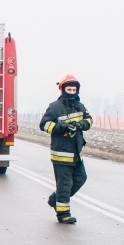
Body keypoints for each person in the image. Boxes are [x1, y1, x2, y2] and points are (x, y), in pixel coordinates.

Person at [39, 74, 94, 224]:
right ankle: (63, 214)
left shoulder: (80, 106)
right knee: (64, 184)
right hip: (62, 153)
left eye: (73, 89)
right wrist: (61, 127)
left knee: (81, 178)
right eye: (68, 89)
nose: (71, 91)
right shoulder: (55, 107)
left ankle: (54, 200)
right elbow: (44, 124)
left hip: (76, 153)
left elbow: (89, 120)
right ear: (62, 89)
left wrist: (80, 125)